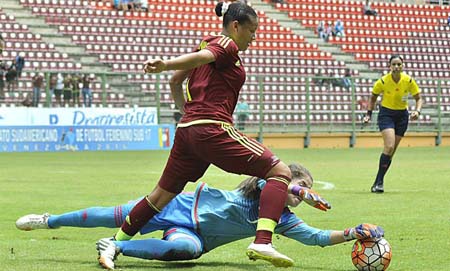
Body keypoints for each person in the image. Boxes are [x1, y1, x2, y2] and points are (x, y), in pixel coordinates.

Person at [100, 1, 300, 268]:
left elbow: (176, 81)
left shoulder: (205, 44)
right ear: (236, 26)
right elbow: (194, 63)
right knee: (280, 172)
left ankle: (114, 242)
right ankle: (262, 241)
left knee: (159, 196)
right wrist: (165, 64)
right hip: (212, 127)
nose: (254, 38)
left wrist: (186, 112)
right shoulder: (226, 45)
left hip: (187, 131)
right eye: (252, 31)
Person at [16, 164, 384, 269]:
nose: (300, 191)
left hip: (195, 236)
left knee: (185, 253)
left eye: (302, 186)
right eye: (299, 183)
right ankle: (48, 220)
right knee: (112, 214)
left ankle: (116, 249)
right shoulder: (261, 186)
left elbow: (316, 238)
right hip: (179, 206)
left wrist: (353, 231)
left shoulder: (282, 220)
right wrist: (298, 187)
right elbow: (270, 182)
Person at [363, 55, 423, 193]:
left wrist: (417, 111)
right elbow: (373, 98)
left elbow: (419, 98)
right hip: (386, 114)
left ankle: (378, 182)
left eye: (399, 64)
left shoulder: (408, 80)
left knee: (391, 152)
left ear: (403, 65)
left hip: (402, 116)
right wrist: (368, 115)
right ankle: (378, 182)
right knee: (389, 146)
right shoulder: (383, 82)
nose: (396, 67)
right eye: (394, 64)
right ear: (389, 66)